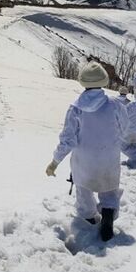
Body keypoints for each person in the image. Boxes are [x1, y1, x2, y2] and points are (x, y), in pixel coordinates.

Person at [45, 62, 126, 241]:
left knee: (84, 189)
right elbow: (124, 126)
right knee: (109, 190)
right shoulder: (115, 105)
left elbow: (67, 139)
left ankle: (88, 217)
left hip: (84, 159)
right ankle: (108, 214)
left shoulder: (75, 108)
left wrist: (54, 162)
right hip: (108, 156)